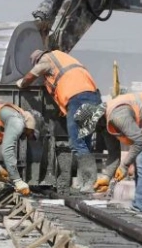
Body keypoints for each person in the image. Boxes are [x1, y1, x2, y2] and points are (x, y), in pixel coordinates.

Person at [74, 92, 142, 215]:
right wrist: (107, 177)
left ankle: (141, 208)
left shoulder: (117, 116)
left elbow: (140, 141)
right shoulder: (105, 125)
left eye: (92, 127)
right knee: (139, 157)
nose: (94, 131)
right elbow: (114, 155)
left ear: (96, 120)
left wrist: (124, 166)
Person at [16, 49, 101, 192]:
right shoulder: (65, 59)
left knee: (77, 143)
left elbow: (32, 75)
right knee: (85, 143)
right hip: (93, 97)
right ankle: (83, 183)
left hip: (77, 98)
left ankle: (89, 182)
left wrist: (22, 83)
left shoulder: (46, 60)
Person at [0, 97, 42, 196]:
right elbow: (7, 150)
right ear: (31, 126)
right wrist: (17, 181)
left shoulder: (11, 117)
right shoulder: (17, 121)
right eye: (31, 135)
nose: (27, 138)